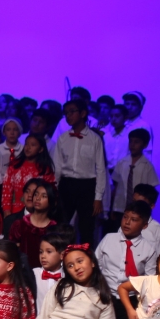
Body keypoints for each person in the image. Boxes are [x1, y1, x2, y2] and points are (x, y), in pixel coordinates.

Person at [53, 98, 106, 244]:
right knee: (61, 225)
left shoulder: (95, 139)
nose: (68, 116)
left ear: (83, 113)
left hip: (87, 186)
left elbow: (100, 169)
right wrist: (55, 190)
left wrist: (98, 197)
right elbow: (57, 167)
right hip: (66, 184)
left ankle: (85, 260)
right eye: (66, 113)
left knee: (86, 228)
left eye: (72, 112)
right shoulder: (63, 138)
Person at [108, 129, 158, 231]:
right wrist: (112, 208)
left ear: (144, 144)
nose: (132, 145)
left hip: (138, 210)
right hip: (120, 207)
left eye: (136, 142)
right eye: (131, 141)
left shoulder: (147, 166)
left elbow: (150, 191)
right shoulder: (122, 163)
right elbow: (116, 186)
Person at [1, 133, 55, 218]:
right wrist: (6, 209)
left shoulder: (45, 170)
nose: (28, 147)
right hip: (15, 212)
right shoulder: (14, 166)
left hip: (37, 213)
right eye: (26, 144)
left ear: (41, 149)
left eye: (33, 145)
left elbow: (49, 194)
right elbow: (7, 190)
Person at [9, 181, 58, 269]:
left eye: (44, 196)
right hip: (23, 273)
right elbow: (11, 252)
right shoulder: (20, 224)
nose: (37, 198)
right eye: (36, 194)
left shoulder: (54, 228)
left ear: (51, 201)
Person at [131, 184, 160, 251]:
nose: (136, 206)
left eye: (141, 203)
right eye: (134, 201)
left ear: (152, 206)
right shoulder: (125, 223)